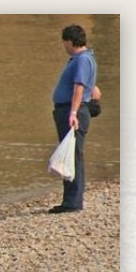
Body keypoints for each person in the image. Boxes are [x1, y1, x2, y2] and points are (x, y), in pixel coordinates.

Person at [49, 24, 99, 214]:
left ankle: (73, 202)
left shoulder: (82, 60)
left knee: (73, 156)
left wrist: (72, 112)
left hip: (72, 112)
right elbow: (94, 89)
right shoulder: (86, 59)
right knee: (71, 155)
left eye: (64, 42)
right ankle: (70, 199)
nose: (64, 46)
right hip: (74, 110)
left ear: (70, 41)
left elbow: (79, 86)